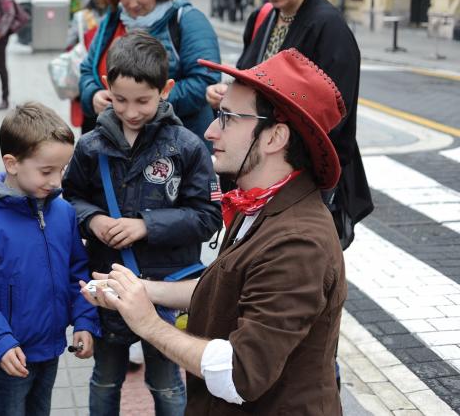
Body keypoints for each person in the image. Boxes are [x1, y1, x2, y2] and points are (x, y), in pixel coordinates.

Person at [83, 48, 349, 415]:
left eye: (226, 117)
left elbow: (241, 373)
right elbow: (223, 289)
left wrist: (148, 324)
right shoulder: (259, 206)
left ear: (274, 138)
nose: (209, 130)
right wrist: (141, 290)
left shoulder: (299, 244)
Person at [64, 31, 222, 416]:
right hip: (110, 284)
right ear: (107, 88)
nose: (131, 111)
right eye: (120, 100)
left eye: (143, 101)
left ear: (165, 89)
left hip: (166, 288)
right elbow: (69, 198)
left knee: (167, 384)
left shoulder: (186, 146)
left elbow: (208, 216)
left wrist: (146, 225)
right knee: (105, 378)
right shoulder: (90, 146)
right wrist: (94, 219)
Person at [205, 0, 372, 250]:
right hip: (256, 175)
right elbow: (247, 81)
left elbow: (336, 123)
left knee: (293, 275)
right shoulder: (263, 17)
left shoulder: (330, 30)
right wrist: (226, 96)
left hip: (299, 185)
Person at [0, 102, 100, 416]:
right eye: (47, 171)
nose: (57, 181)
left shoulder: (63, 212)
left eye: (62, 170)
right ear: (12, 163)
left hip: (51, 348)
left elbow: (78, 271)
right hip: (11, 354)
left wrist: (85, 319)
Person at [78, 0, 221, 140]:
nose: (131, 3)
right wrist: (93, 96)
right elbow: (88, 70)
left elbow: (205, 81)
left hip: (177, 143)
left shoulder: (188, 20)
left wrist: (148, 103)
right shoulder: (112, 19)